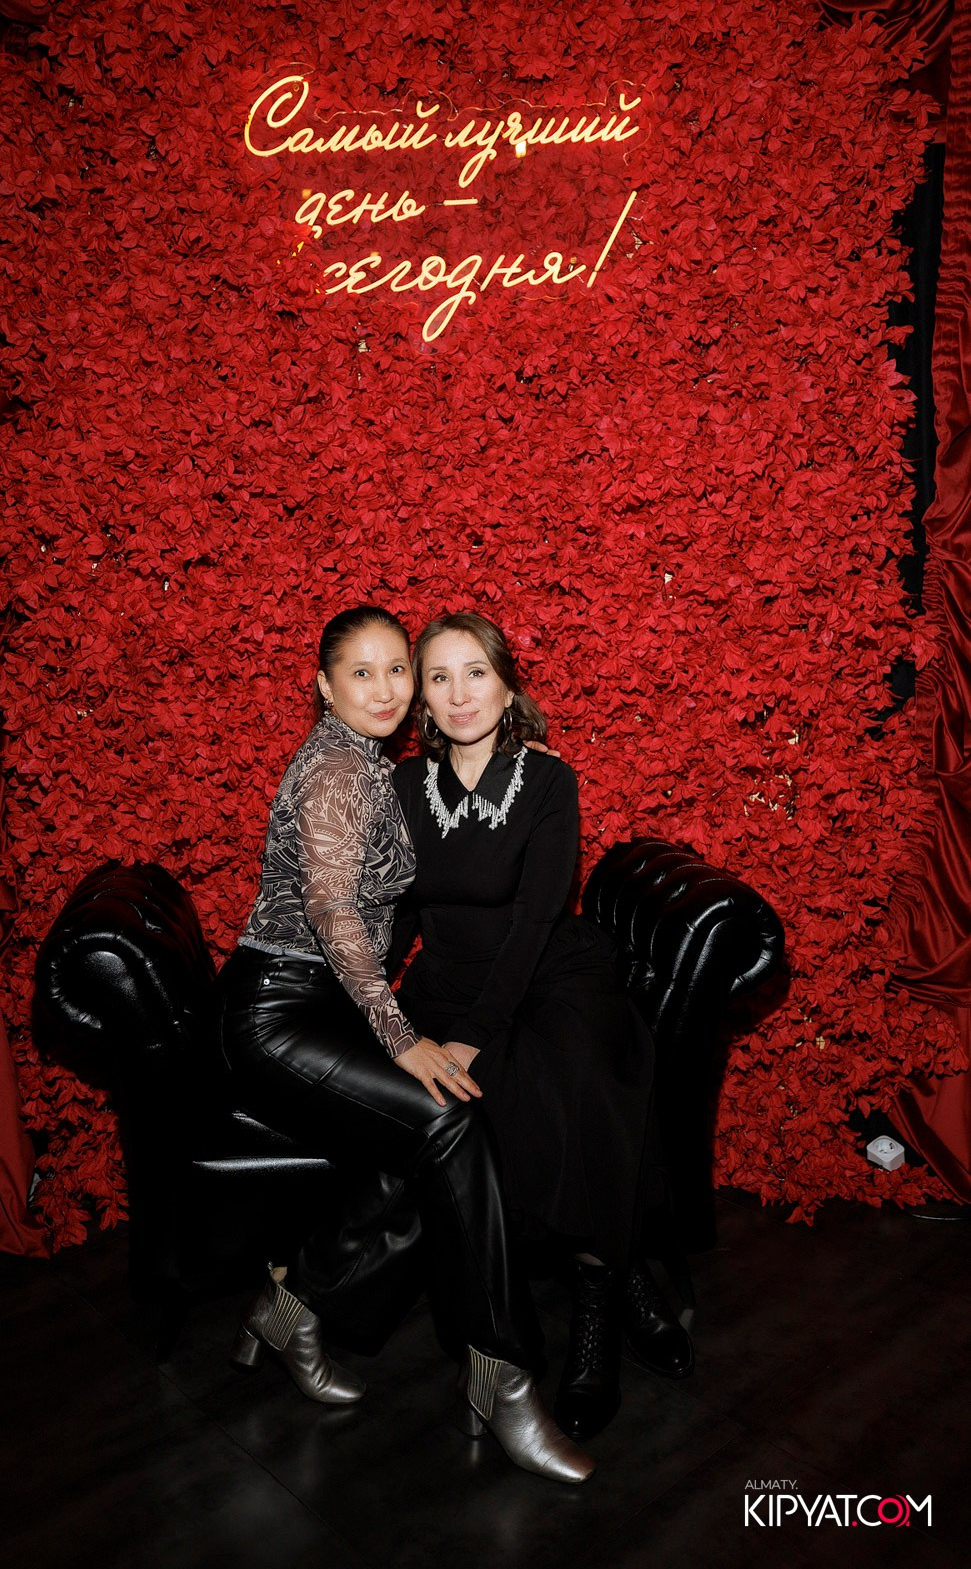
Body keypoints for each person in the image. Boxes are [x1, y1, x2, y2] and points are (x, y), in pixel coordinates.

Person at [217, 605, 593, 1484]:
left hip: (324, 1007)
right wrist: (400, 1035)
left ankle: (291, 1306)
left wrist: (516, 761)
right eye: (362, 672)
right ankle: (503, 1379)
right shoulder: (337, 771)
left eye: (397, 669)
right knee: (447, 1121)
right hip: (276, 1016)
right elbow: (332, 914)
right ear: (324, 686)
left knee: (431, 1138)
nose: (385, 689)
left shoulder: (376, 765)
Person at [391, 612, 686, 1442]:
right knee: (481, 1103)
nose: (459, 695)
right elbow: (396, 910)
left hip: (549, 971)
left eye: (475, 673)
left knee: (581, 1081)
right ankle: (621, 1269)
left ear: (506, 685)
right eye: (439, 677)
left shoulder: (548, 781)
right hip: (448, 984)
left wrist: (476, 1032)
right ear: (422, 698)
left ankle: (601, 1299)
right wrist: (360, 996)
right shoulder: (403, 787)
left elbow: (533, 920)